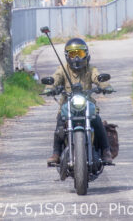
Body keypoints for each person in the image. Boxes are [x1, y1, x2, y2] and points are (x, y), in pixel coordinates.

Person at [44, 37, 113, 166]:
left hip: (87, 105)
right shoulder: (63, 69)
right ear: (67, 56)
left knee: (97, 121)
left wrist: (105, 86)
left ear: (86, 54)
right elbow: (55, 78)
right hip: (67, 106)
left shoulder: (90, 69)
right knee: (59, 124)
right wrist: (50, 88)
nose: (76, 58)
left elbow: (98, 78)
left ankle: (106, 151)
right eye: (73, 54)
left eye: (80, 54)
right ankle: (56, 153)